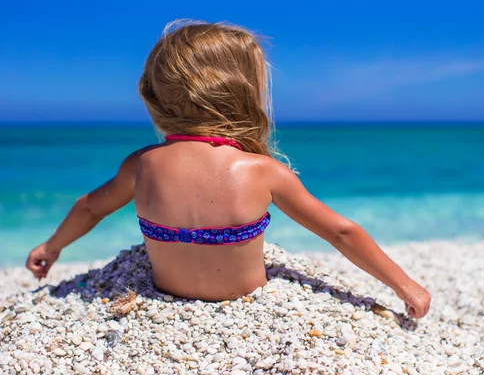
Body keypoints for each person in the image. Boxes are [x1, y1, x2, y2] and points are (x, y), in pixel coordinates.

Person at [25, 20, 431, 318]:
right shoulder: (263, 172)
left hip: (166, 297)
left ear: (155, 97)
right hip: (246, 303)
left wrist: (51, 247)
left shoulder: (142, 165)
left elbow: (89, 207)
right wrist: (405, 286)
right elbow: (342, 232)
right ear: (245, 94)